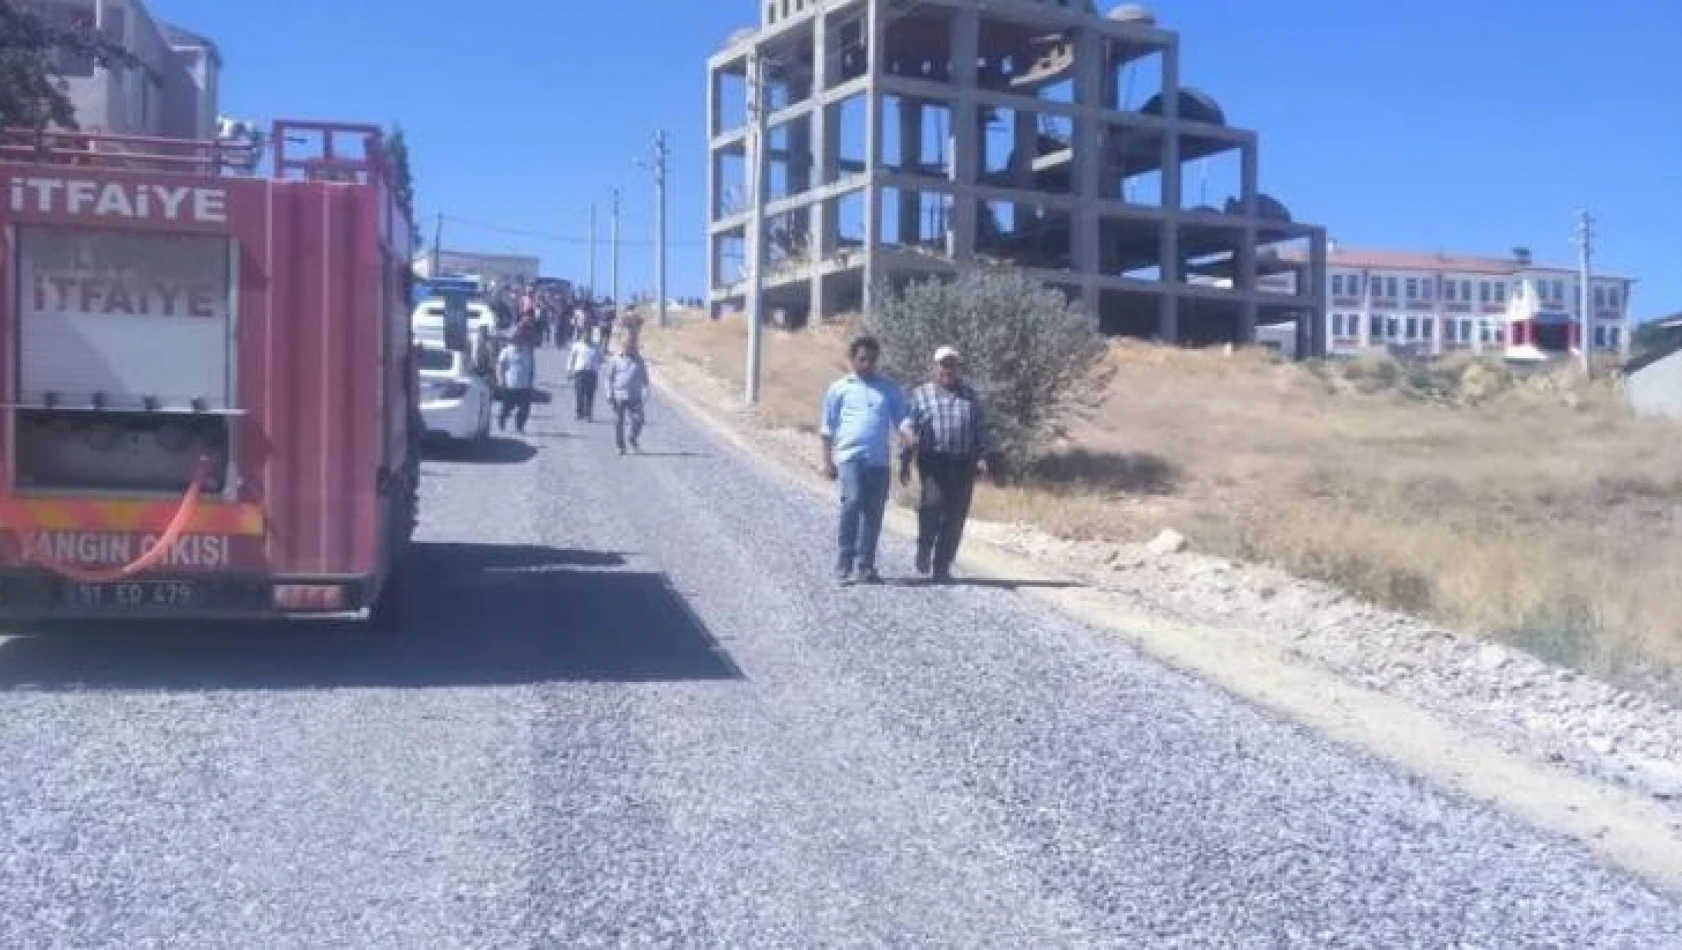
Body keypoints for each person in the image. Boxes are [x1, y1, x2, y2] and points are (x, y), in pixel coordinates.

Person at [819, 336, 909, 586]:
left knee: (873, 512)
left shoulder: (888, 389)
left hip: (878, 460)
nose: (867, 364)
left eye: (871, 359)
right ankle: (844, 562)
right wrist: (827, 462)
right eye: (862, 359)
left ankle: (865, 566)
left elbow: (901, 417)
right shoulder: (839, 388)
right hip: (849, 457)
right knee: (853, 501)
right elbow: (827, 428)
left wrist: (906, 432)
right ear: (852, 359)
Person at [900, 345, 990, 584]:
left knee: (956, 516)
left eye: (952, 365)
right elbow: (909, 426)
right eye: (943, 364)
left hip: (963, 463)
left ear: (957, 368)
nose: (947, 370)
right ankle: (925, 546)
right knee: (931, 505)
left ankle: (942, 567)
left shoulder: (970, 396)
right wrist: (905, 460)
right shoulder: (921, 394)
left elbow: (979, 429)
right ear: (934, 367)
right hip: (933, 461)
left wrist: (982, 457)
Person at [606, 342, 651, 455]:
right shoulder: (615, 360)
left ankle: (632, 437)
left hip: (635, 397)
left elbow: (645, 380)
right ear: (622, 348)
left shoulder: (640, 361)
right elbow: (609, 379)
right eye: (626, 347)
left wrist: (646, 393)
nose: (629, 349)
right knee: (618, 422)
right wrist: (609, 394)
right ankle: (620, 446)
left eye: (631, 347)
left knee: (639, 420)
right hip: (619, 396)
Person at [497, 338, 536, 435]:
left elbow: (532, 367)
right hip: (510, 384)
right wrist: (501, 379)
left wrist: (531, 380)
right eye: (518, 341)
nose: (520, 343)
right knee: (507, 407)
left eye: (522, 341)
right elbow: (500, 366)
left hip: (524, 385)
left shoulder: (527, 352)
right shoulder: (506, 351)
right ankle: (502, 420)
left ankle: (519, 426)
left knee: (525, 408)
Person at [567, 334, 602, 422]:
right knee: (579, 394)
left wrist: (598, 366)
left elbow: (601, 359)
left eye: (588, 335)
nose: (586, 337)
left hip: (591, 373)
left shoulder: (596, 346)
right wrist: (569, 370)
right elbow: (571, 358)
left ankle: (588, 414)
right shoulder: (577, 346)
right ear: (582, 335)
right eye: (585, 335)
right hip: (579, 372)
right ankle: (579, 412)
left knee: (590, 395)